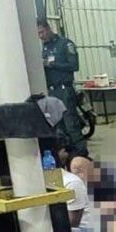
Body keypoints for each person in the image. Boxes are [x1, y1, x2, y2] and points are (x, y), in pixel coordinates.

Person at [37, 19, 86, 155]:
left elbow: (74, 66)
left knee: (71, 124)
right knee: (59, 127)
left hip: (64, 90)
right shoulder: (45, 48)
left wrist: (51, 64)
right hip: (52, 91)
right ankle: (68, 155)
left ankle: (81, 154)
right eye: (38, 34)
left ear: (48, 28)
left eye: (42, 32)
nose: (41, 36)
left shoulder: (65, 44)